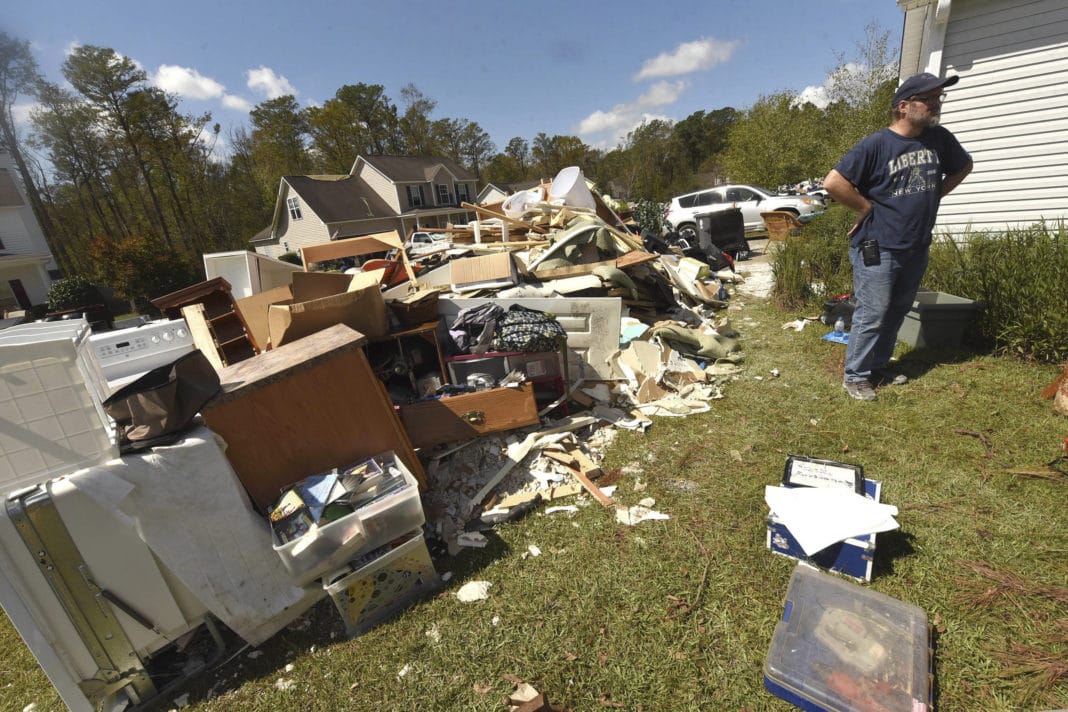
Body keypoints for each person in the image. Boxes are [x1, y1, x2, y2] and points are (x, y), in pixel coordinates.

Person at [823, 72, 973, 401]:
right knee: (873, 311)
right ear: (903, 106)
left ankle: (876, 367)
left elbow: (964, 166)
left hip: (916, 245)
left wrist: (935, 194)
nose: (936, 104)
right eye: (929, 99)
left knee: (897, 309)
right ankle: (855, 376)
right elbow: (833, 182)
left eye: (938, 98)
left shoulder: (939, 139)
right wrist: (864, 207)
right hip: (877, 244)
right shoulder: (877, 144)